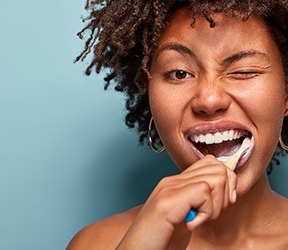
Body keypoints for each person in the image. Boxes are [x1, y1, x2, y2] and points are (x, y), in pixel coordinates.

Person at [67, 0, 288, 249]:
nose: (209, 99)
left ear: (286, 95)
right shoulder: (98, 243)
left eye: (244, 71)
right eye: (179, 73)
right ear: (147, 92)